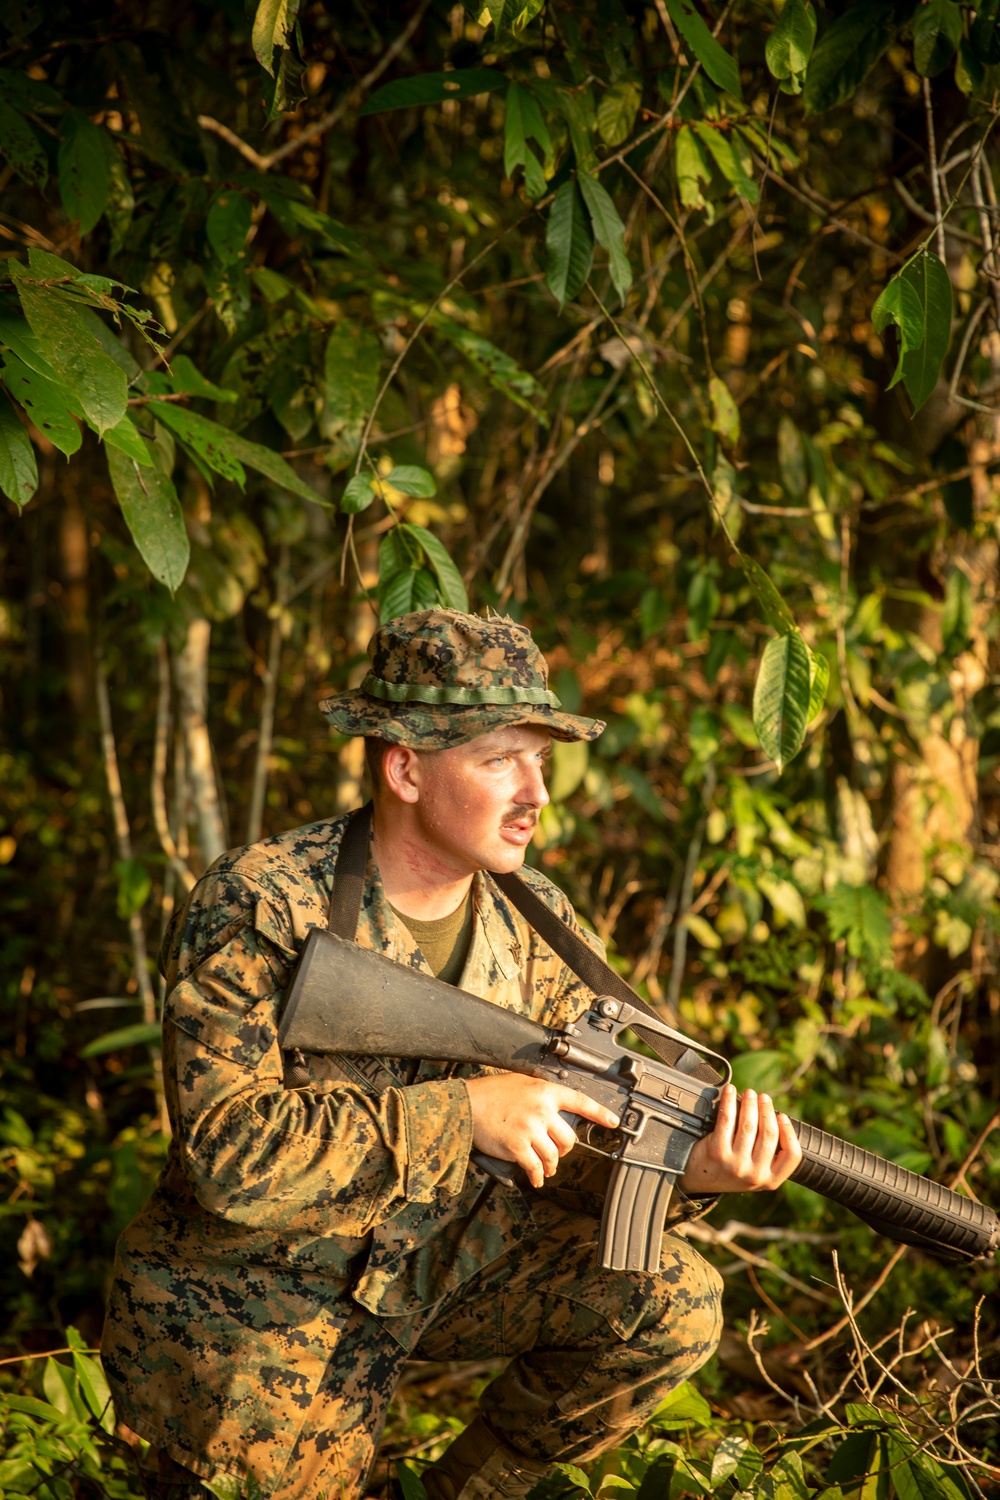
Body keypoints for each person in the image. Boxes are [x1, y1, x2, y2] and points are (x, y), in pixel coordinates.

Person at [102, 608, 802, 1500]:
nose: (536, 793)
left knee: (670, 1301)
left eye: (540, 760)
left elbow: (579, 1153)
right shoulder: (264, 902)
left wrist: (692, 1172)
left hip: (428, 1269)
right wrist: (464, 1113)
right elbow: (228, 1158)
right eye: (498, 759)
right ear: (404, 768)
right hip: (253, 1304)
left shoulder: (536, 917)